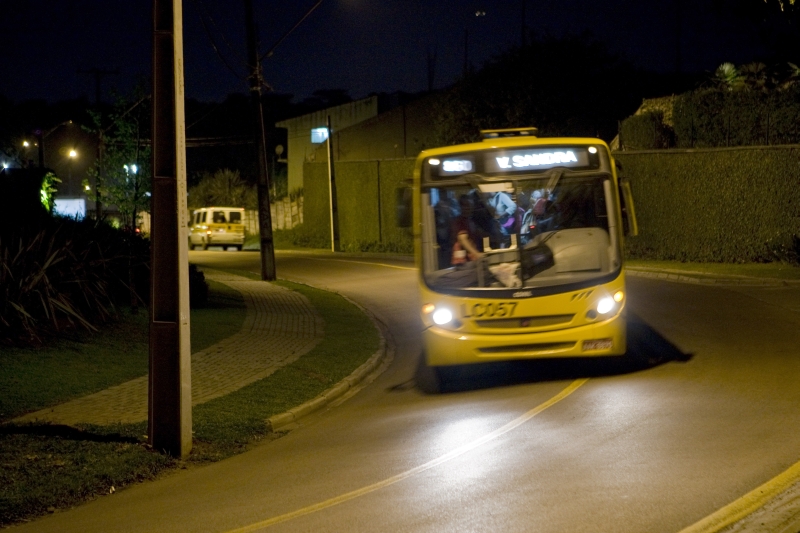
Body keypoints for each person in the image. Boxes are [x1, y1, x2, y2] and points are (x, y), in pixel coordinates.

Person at [451, 195, 484, 265]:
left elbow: (480, 233)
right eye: (465, 206)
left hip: (471, 259)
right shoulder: (459, 221)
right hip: (463, 261)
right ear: (460, 207)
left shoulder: (470, 220)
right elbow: (463, 240)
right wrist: (476, 254)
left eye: (470, 205)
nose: (468, 208)